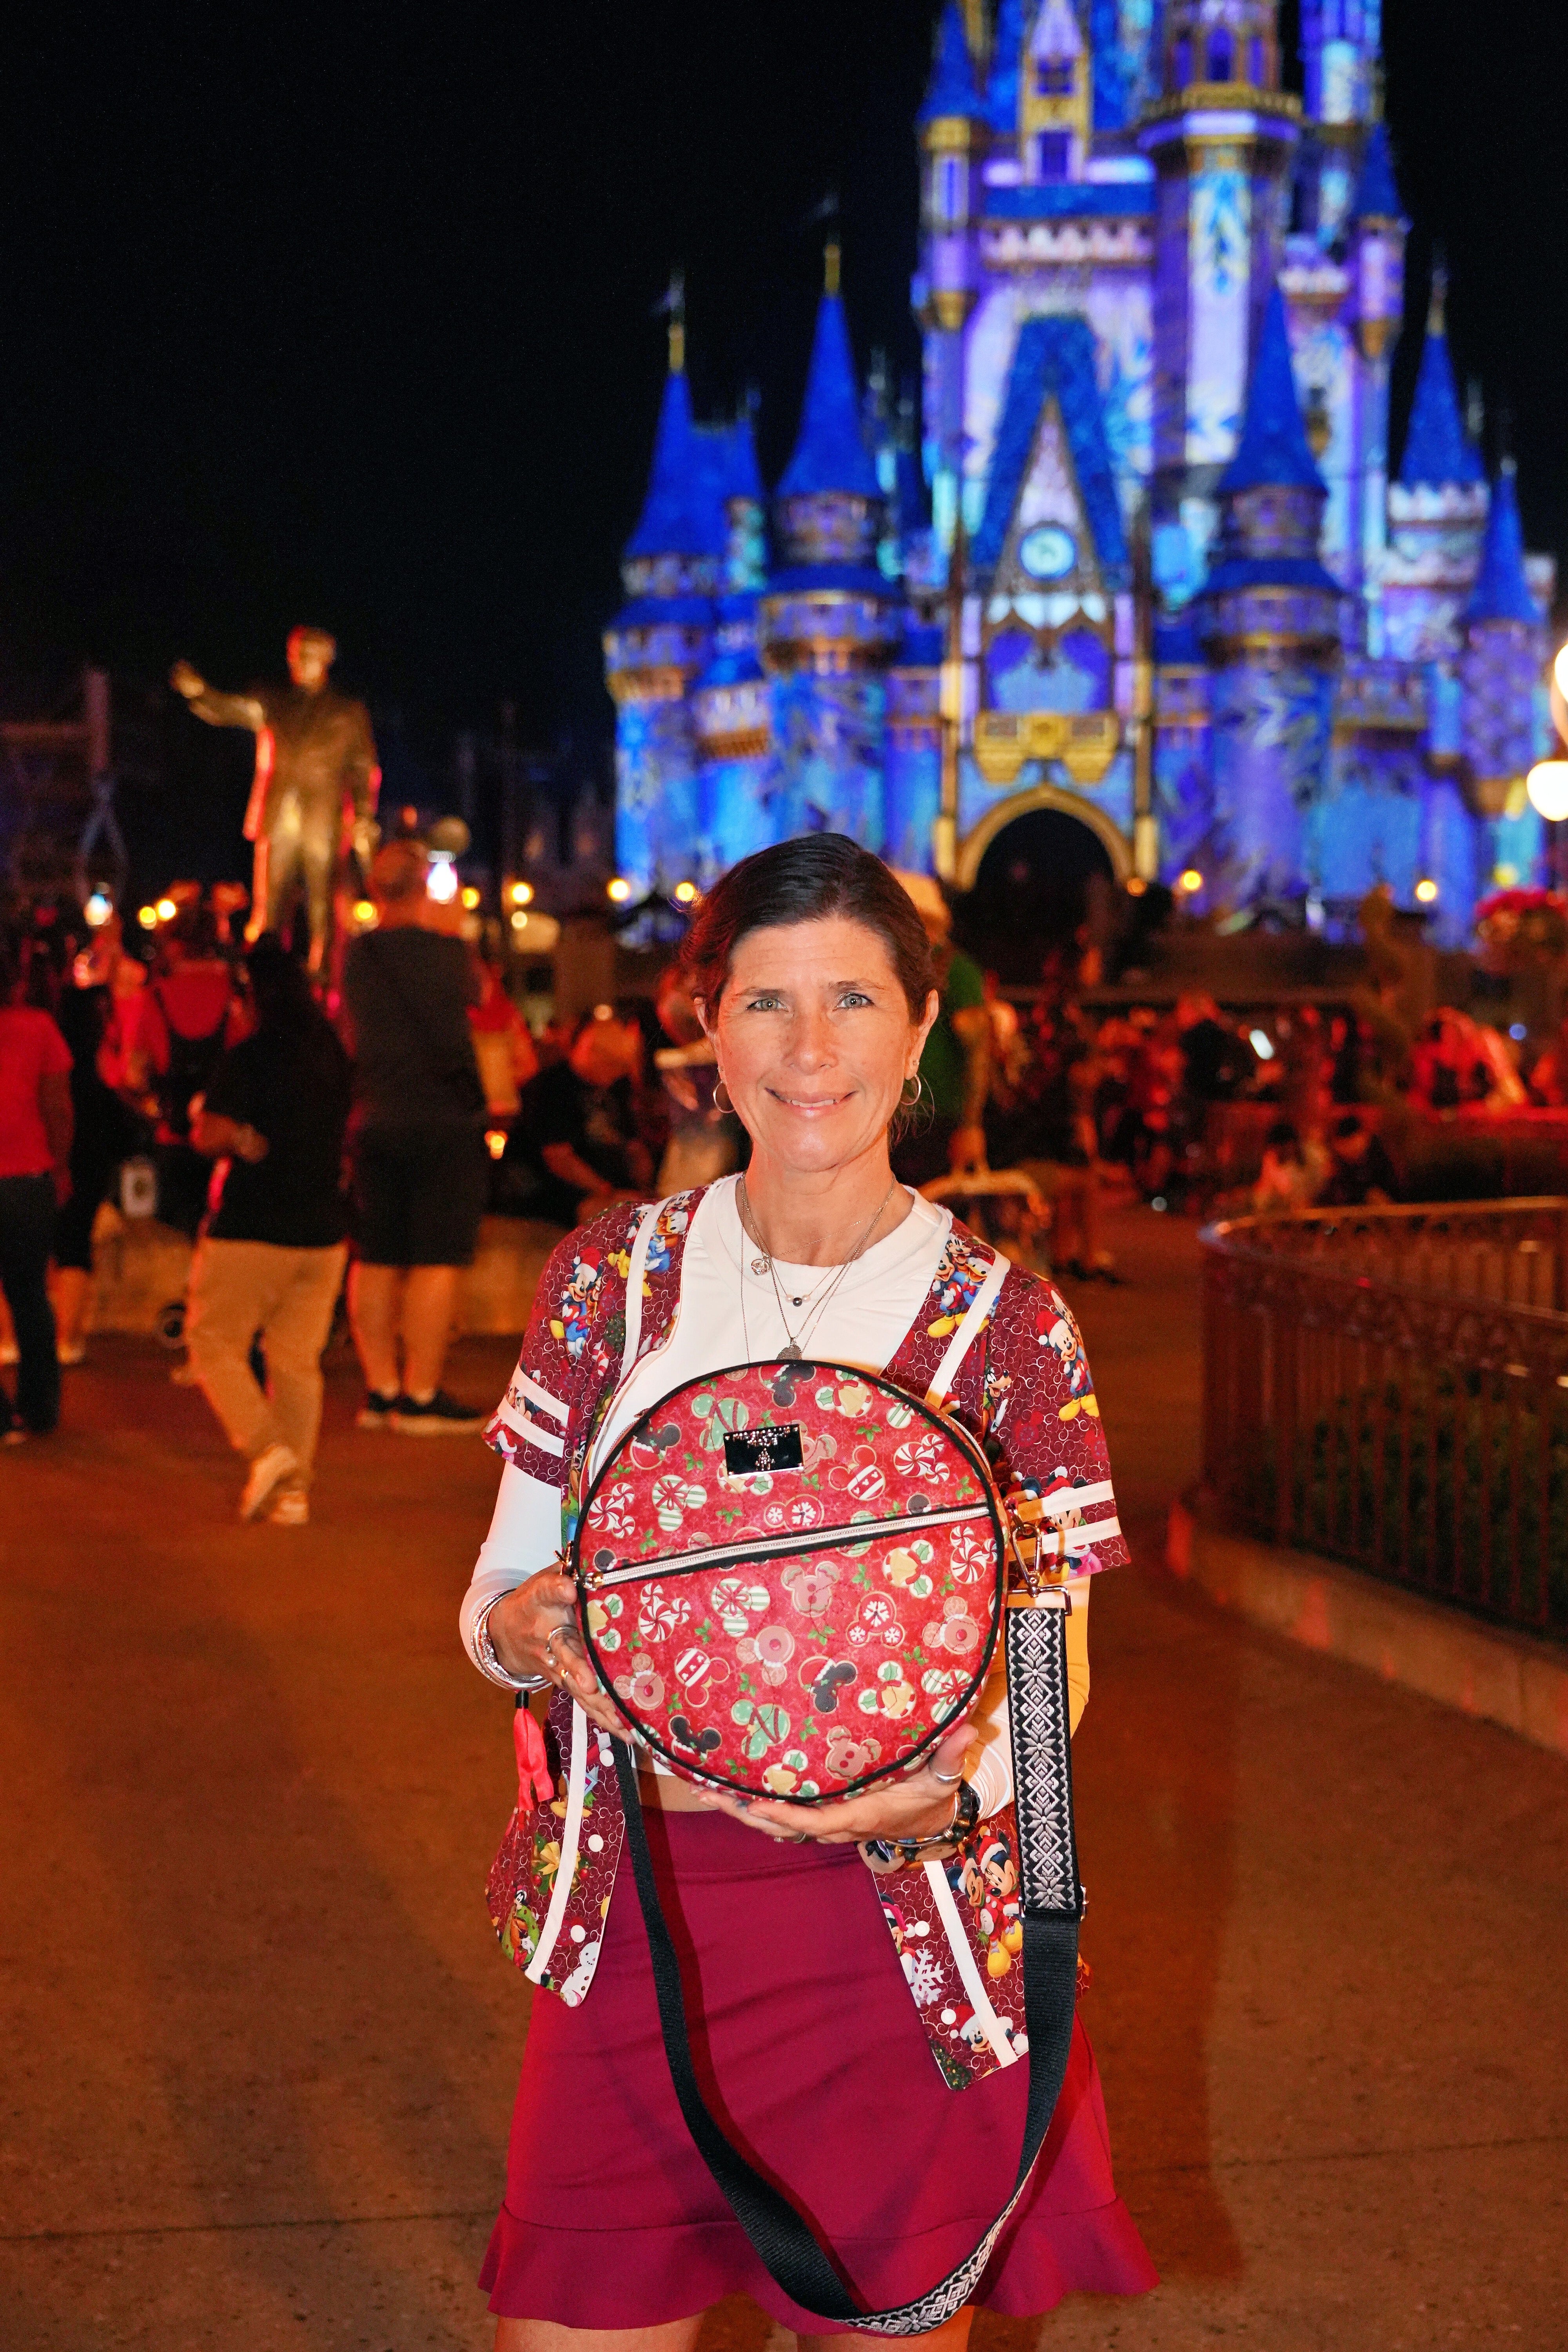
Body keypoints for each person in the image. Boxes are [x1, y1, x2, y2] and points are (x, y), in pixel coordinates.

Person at [461, 834, 1155, 2347]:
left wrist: (953, 1791)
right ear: (707, 1030)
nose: (809, 1047)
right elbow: (499, 1589)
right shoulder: (609, 1283)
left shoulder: (1008, 1327)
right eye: (766, 1001)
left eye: (853, 998)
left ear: (922, 1027)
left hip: (894, 1944)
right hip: (637, 1922)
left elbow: (1053, 1673)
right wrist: (514, 1629)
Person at [183, 936, 352, 1523]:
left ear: (251, 996)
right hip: (323, 1231)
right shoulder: (331, 1054)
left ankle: (267, 1448)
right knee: (296, 1360)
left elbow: (209, 1134)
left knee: (212, 1341)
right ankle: (294, 1493)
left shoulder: (251, 1057)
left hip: (253, 1227)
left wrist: (237, 1136)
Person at [340, 838, 489, 1432]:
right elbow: (479, 1001)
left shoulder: (357, 955)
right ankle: (420, 1395)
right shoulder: (447, 952)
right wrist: (452, 928)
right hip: (441, 1118)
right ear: (425, 886)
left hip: (375, 1116)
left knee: (376, 1255)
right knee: (436, 1257)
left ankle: (380, 1390)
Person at [170, 627, 379, 975]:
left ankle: (323, 980)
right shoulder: (273, 701)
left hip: (324, 820)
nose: (298, 663)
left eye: (307, 656)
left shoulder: (348, 712)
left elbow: (363, 768)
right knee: (268, 908)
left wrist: (363, 814)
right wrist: (201, 692)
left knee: (323, 910)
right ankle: (265, 977)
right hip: (279, 814)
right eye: (295, 656)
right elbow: (232, 709)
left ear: (325, 661)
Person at [0, 929, 73, 1441]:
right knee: (30, 1295)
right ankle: (40, 1407)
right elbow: (58, 1107)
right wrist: (61, 1167)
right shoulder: (39, 1028)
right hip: (27, 1178)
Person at [138, 903, 247, 1237]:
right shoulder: (234, 994)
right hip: (224, 1136)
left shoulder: (156, 995)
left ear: (176, 944)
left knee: (173, 1237)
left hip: (173, 1134)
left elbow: (137, 1071)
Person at [505, 1000, 653, 1227]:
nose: (616, 1075)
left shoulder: (617, 1087)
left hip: (611, 1191)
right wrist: (607, 1190)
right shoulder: (551, 1087)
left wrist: (644, 1184)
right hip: (560, 1195)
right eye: (612, 1066)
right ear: (593, 1054)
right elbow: (559, 1159)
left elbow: (633, 1145)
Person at [889, 869, 990, 1187]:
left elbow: (977, 1049)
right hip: (898, 1117)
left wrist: (971, 1126)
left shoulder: (954, 970)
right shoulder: (893, 968)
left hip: (933, 1122)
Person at [1317, 1112, 1399, 1209]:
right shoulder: (1337, 1166)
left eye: (1350, 1143)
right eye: (1344, 1145)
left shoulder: (1379, 1159)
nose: (1349, 1148)